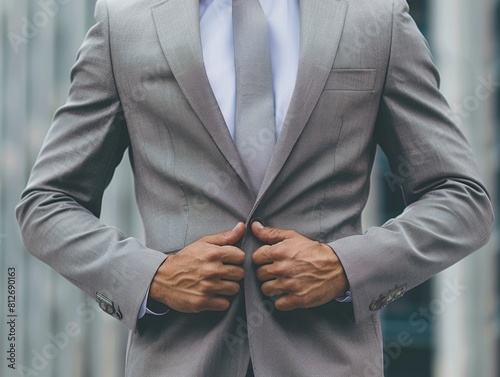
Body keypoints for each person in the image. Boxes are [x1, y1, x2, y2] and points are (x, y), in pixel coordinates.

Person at [16, 0, 494, 376]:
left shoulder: (376, 17)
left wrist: (346, 267)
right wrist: (151, 276)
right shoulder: (123, 24)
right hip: (179, 360)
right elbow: (46, 205)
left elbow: (461, 200)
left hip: (328, 361)